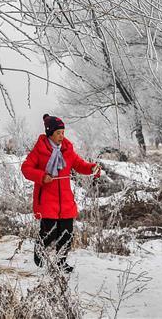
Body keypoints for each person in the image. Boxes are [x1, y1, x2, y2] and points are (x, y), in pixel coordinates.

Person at [21, 114, 100, 273]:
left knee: (66, 234)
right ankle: (39, 252)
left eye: (63, 132)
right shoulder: (40, 150)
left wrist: (92, 168)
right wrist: (42, 177)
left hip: (65, 200)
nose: (61, 136)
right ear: (50, 133)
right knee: (49, 233)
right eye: (58, 133)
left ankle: (60, 262)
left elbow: (79, 164)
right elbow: (26, 169)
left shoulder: (67, 149)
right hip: (47, 200)